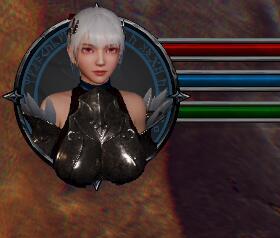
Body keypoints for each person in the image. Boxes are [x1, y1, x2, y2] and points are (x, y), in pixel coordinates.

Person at [18, 7, 173, 187]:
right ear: (72, 53)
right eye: (88, 49)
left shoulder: (135, 104)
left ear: (120, 53)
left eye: (110, 49)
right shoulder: (54, 105)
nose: (101, 61)